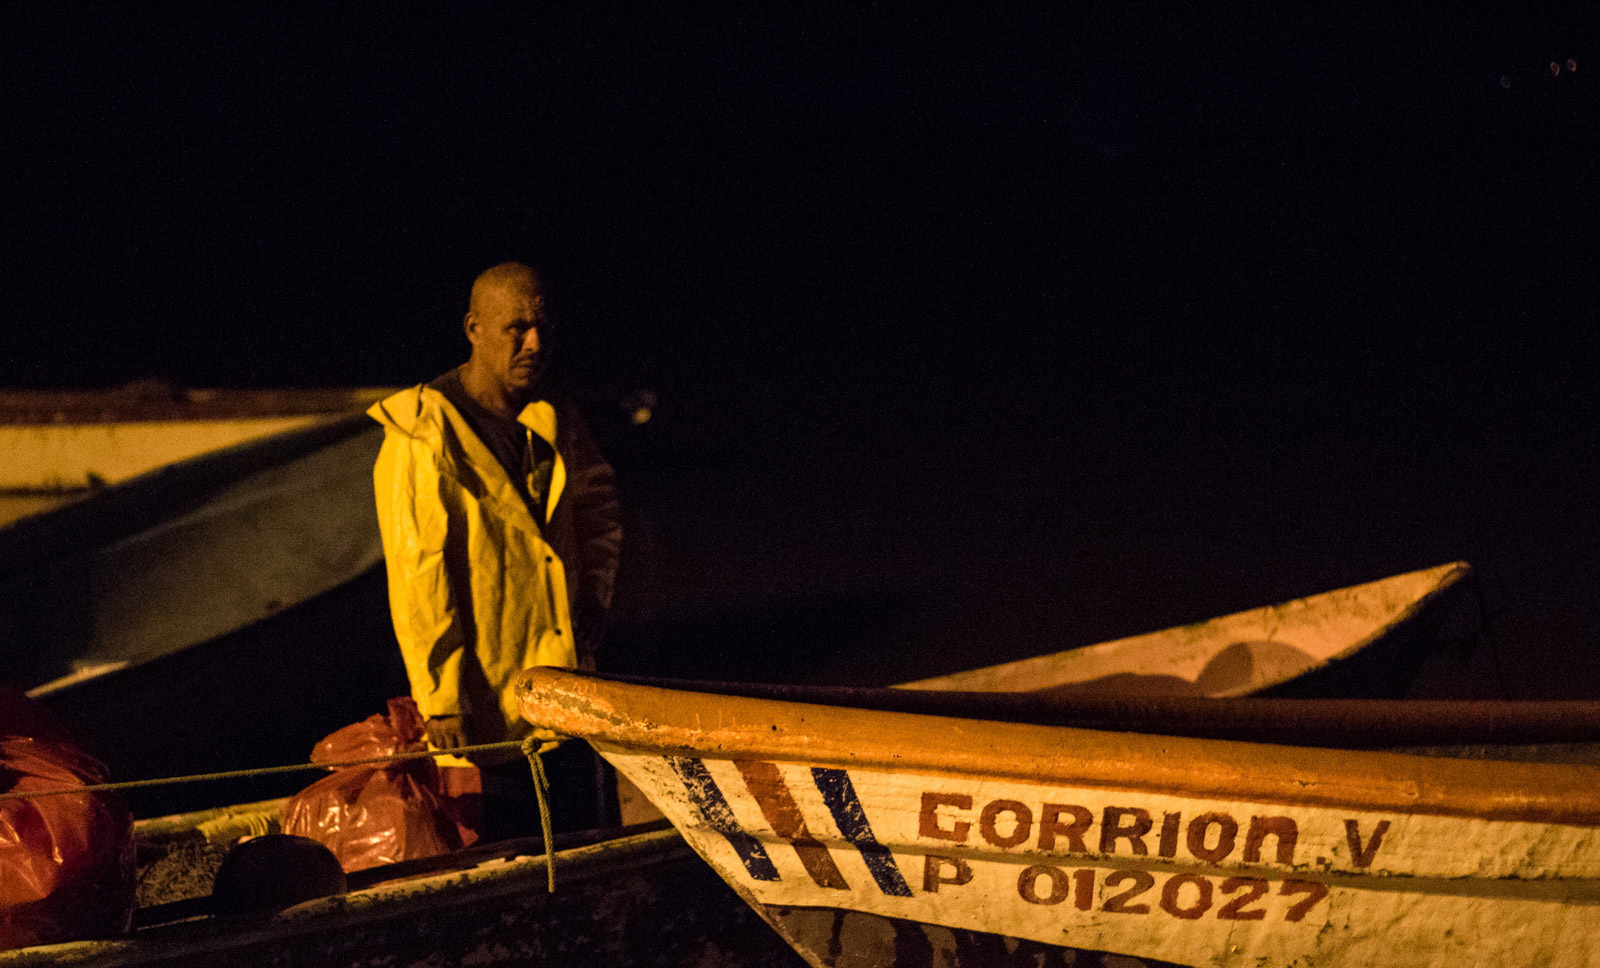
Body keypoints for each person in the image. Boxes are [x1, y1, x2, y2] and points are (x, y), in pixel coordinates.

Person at [367, 262, 622, 838]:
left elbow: (597, 509)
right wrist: (441, 698)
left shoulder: (552, 417)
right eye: (516, 328)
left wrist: (594, 599)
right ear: (473, 328)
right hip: (486, 710)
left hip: (568, 689)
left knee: (587, 847)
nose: (534, 344)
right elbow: (418, 573)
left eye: (543, 329)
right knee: (511, 853)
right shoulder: (424, 432)